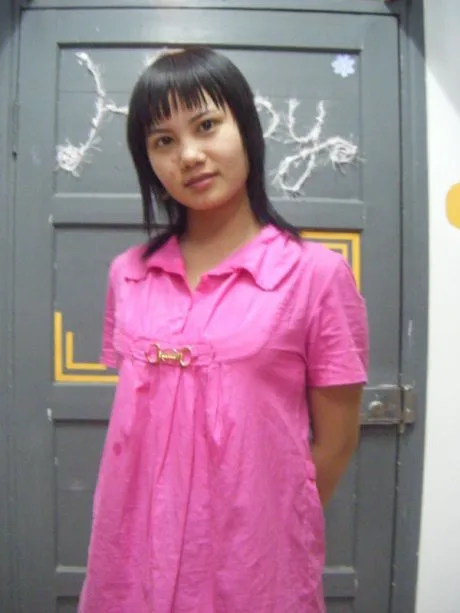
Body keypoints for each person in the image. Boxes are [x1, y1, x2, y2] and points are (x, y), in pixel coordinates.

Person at [78, 47, 368, 613]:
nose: (189, 155)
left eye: (207, 126)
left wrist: (268, 523)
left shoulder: (316, 275)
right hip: (132, 552)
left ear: (246, 128)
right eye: (163, 141)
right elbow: (141, 425)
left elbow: (336, 443)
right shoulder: (128, 274)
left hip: (253, 561)